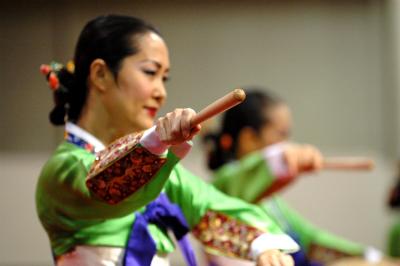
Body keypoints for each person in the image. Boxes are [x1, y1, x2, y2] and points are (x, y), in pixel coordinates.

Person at [35, 15, 326, 266]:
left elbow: (210, 204)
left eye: (165, 79)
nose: (160, 92)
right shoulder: (62, 172)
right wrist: (155, 141)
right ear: (100, 74)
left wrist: (263, 245)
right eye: (150, 72)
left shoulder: (165, 172)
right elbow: (103, 185)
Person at [203, 89, 381, 266]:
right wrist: (282, 158)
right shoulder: (223, 187)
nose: (286, 142)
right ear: (249, 139)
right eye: (282, 134)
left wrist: (370, 257)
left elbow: (310, 240)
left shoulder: (270, 200)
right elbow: (249, 175)